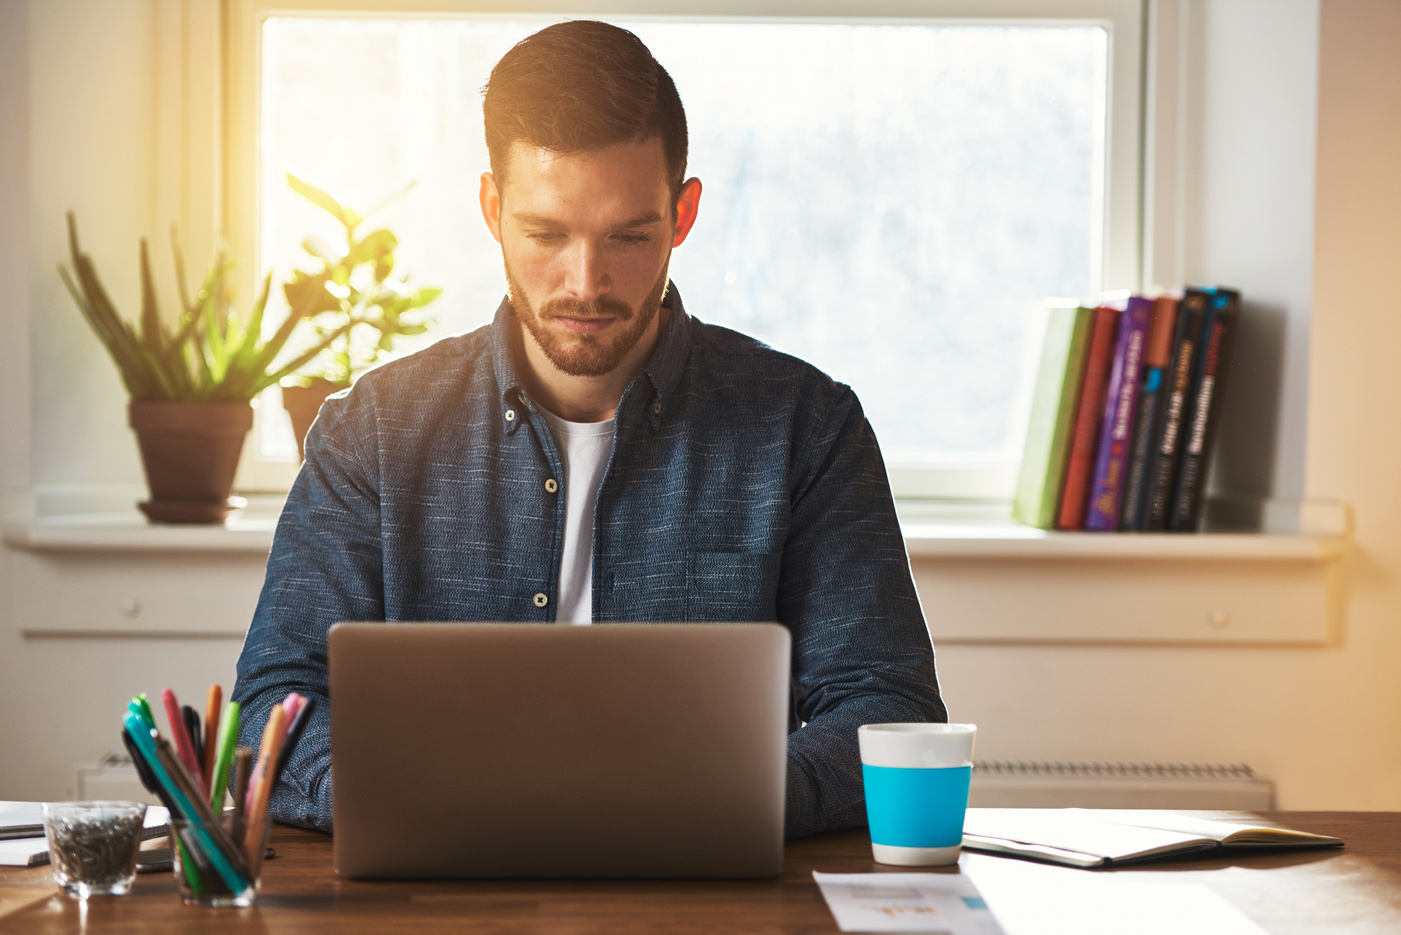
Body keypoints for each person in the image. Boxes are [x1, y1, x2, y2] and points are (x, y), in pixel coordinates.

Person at [233, 19, 946, 840]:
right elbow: (274, 701)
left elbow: (885, 705)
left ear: (682, 214)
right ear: (492, 210)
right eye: (545, 234)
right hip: (431, 892)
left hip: (710, 888)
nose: (585, 281)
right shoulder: (372, 433)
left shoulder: (807, 429)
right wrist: (405, 796)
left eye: (628, 236)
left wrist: (710, 798)